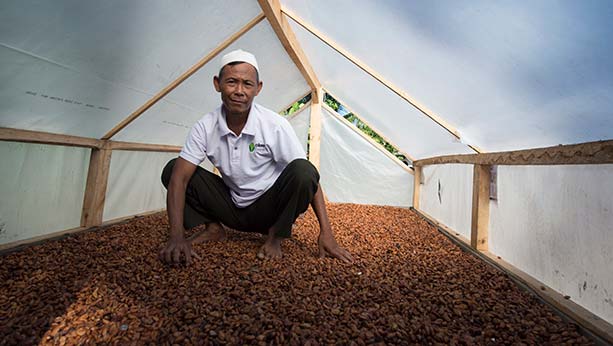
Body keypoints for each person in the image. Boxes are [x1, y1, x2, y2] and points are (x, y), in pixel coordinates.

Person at [159, 49, 352, 265]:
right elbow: (179, 179)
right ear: (217, 84)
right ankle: (214, 229)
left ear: (258, 88)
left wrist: (327, 233)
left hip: (270, 211)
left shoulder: (274, 125)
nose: (239, 91)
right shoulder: (205, 127)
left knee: (304, 170)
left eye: (247, 84)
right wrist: (177, 237)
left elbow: (309, 180)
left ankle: (275, 237)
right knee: (174, 169)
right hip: (231, 206)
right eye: (231, 82)